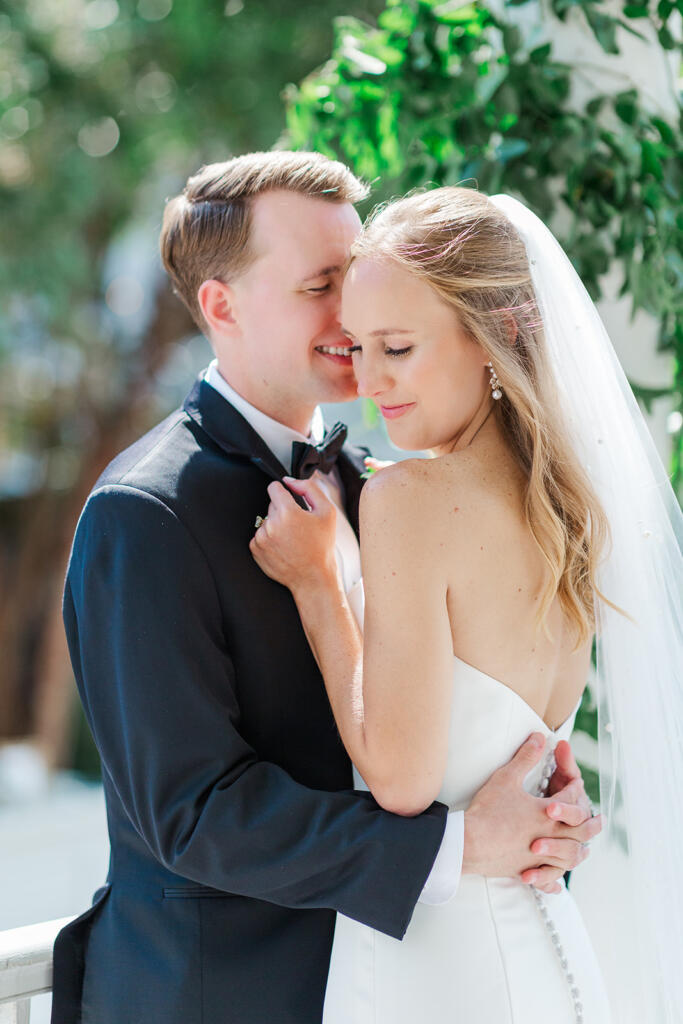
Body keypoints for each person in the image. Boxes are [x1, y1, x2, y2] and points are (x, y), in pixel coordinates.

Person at [51, 155, 600, 1024]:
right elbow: (193, 814)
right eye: (320, 284)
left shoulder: (387, 481)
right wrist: (459, 846)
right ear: (221, 307)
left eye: (357, 279)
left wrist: (538, 812)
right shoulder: (143, 512)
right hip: (220, 999)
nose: (353, 312)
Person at [250, 186, 683, 1022]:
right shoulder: (566, 504)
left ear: (494, 335)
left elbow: (403, 782)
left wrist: (317, 588)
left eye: (398, 349)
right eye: (358, 347)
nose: (367, 382)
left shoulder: (412, 499)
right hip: (543, 939)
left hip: (444, 968)